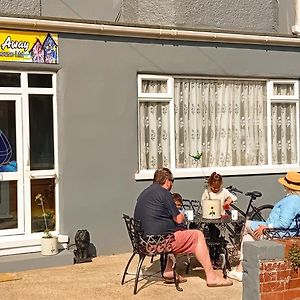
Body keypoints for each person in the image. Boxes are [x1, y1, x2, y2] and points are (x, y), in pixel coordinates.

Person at [134, 167, 233, 287]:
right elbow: (178, 218)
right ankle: (212, 277)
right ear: (167, 180)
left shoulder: (144, 193)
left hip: (142, 242)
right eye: (172, 181)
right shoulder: (164, 193)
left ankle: (169, 271)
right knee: (197, 235)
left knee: (179, 231)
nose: (172, 185)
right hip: (159, 242)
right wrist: (183, 213)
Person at [227, 171, 300, 282]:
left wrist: (266, 227)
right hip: (281, 232)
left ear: (288, 186)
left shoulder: (291, 201)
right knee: (249, 237)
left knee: (246, 225)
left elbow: (284, 223)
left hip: (276, 234)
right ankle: (241, 269)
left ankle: (242, 268)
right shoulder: (295, 199)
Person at [201, 172, 237, 266]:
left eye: (218, 188)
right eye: (214, 188)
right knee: (213, 235)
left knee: (220, 236)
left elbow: (234, 197)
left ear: (221, 185)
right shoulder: (207, 192)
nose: (216, 190)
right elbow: (202, 202)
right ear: (210, 185)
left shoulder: (223, 191)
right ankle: (212, 256)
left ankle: (218, 255)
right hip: (210, 218)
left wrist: (229, 200)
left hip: (221, 217)